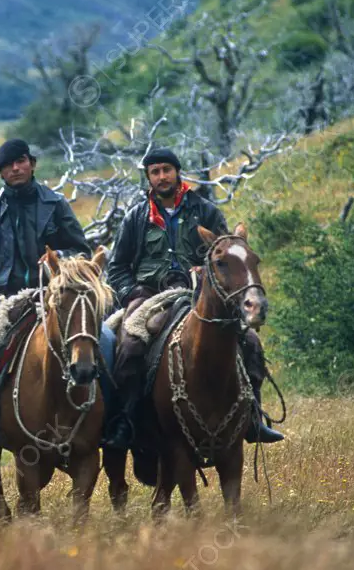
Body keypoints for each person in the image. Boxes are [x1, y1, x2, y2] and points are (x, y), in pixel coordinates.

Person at [103, 148, 285, 449]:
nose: (162, 176)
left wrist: (208, 274)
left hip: (201, 294)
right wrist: (131, 292)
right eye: (155, 171)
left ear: (177, 172)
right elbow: (117, 267)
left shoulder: (206, 211)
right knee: (130, 343)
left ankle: (252, 415)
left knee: (250, 342)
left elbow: (227, 254)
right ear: (148, 178)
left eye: (167, 170)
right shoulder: (136, 217)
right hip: (150, 295)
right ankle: (126, 418)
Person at [0, 138, 118, 451]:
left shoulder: (55, 203)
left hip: (55, 293)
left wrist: (57, 259)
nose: (15, 168)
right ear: (1, 173)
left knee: (106, 339)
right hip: (6, 300)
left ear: (32, 164)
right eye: (8, 165)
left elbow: (80, 249)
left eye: (21, 161)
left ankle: (112, 418)